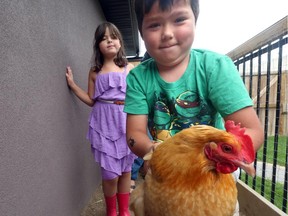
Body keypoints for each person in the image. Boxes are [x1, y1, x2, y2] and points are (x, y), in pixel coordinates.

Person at [124, 0, 264, 174]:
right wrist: (154, 151)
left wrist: (219, 156)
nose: (167, 33)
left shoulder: (215, 67)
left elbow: (252, 131)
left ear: (195, 21)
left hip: (212, 169)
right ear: (141, 33)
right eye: (154, 25)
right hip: (167, 167)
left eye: (179, 19)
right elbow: (134, 134)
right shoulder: (138, 78)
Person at [65, 22, 135, 216]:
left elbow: (138, 98)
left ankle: (124, 212)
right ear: (98, 46)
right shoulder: (95, 72)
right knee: (110, 174)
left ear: (120, 42)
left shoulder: (129, 68)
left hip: (125, 121)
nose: (109, 41)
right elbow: (90, 99)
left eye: (113, 37)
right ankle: (111, 212)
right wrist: (72, 85)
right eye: (103, 39)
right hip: (104, 123)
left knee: (126, 169)